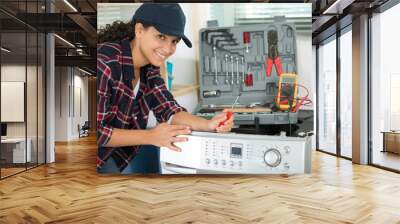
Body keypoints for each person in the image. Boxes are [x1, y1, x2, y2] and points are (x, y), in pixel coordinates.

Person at [97, 3, 234, 174]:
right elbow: (97, 132)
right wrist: (150, 136)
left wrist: (208, 124)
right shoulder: (104, 64)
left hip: (117, 155)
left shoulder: (150, 68)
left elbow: (169, 110)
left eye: (174, 41)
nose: (168, 49)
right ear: (139, 30)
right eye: (161, 37)